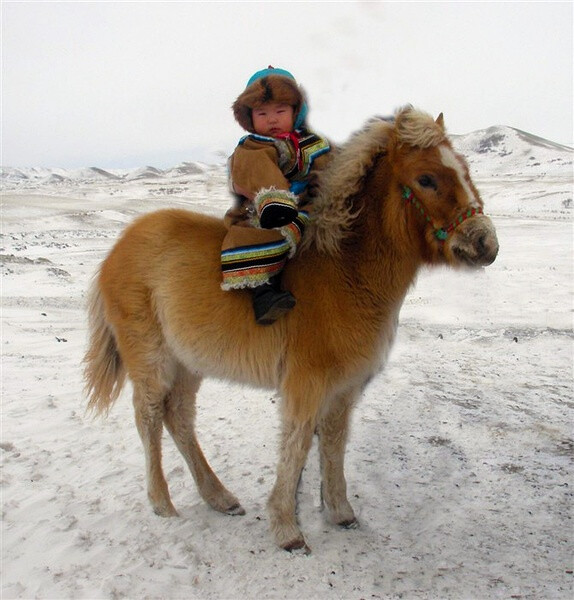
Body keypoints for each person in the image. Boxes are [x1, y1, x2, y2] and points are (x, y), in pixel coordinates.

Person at [221, 66, 332, 325]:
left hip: (306, 211)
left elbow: (331, 167)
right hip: (260, 217)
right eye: (262, 113)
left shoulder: (313, 144)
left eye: (280, 111)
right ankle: (263, 295)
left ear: (296, 111)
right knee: (261, 239)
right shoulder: (251, 147)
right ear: (249, 118)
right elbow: (242, 175)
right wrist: (276, 201)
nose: (272, 120)